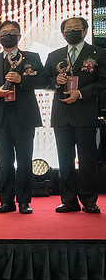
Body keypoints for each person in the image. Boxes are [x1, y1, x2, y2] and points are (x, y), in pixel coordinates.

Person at [0, 21, 47, 214]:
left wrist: (22, 80)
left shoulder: (31, 57)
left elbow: (44, 80)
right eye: (4, 33)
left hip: (24, 116)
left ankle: (24, 201)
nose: (8, 36)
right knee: (5, 161)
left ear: (19, 36)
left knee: (25, 160)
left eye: (12, 33)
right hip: (1, 116)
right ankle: (6, 201)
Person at [44, 16, 106, 213]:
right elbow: (45, 81)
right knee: (65, 159)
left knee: (88, 160)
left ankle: (89, 200)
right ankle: (68, 200)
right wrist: (56, 81)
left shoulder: (98, 53)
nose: (72, 31)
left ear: (85, 31)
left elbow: (103, 81)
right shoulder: (54, 55)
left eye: (76, 28)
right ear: (63, 34)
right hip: (61, 114)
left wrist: (80, 93)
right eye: (68, 29)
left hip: (85, 113)